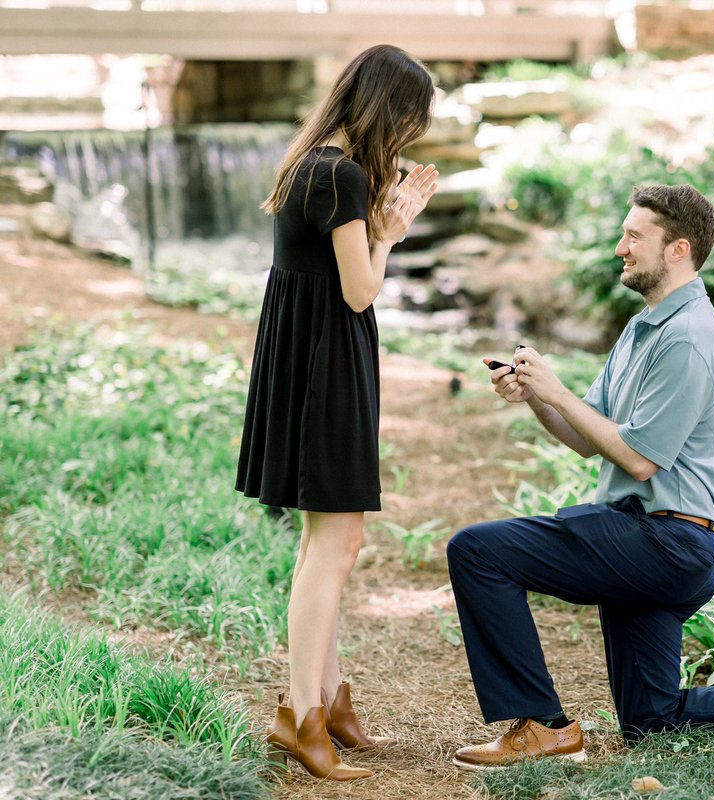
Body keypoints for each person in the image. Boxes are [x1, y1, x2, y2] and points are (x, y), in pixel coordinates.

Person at [446, 184, 714, 770]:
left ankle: (543, 725)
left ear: (677, 249)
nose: (619, 246)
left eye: (633, 236)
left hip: (665, 542)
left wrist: (557, 390)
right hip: (645, 542)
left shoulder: (688, 336)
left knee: (478, 551)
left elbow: (640, 460)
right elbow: (587, 436)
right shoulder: (644, 327)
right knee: (652, 720)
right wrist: (535, 398)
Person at [235, 44, 438, 781]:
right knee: (336, 545)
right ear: (387, 108)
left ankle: (327, 700)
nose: (409, 136)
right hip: (328, 369)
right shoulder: (343, 176)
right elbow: (359, 289)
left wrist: (379, 218)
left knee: (327, 542)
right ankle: (302, 715)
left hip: (305, 363)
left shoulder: (309, 163)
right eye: (409, 120)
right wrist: (389, 233)